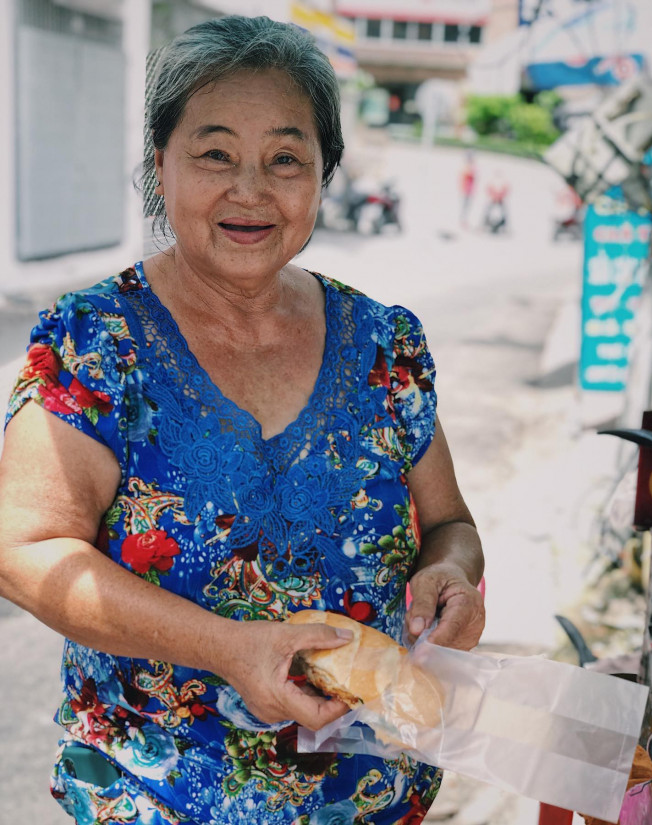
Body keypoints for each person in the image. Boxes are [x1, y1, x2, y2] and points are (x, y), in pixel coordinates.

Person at [0, 15, 485, 825]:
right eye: (215, 153)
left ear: (324, 174)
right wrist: (232, 649)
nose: (251, 189)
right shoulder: (96, 342)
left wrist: (455, 575)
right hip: (155, 798)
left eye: (286, 158)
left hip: (370, 795)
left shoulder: (384, 342)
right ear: (161, 164)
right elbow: (24, 551)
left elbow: (450, 522)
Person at [458, 150, 476, 228]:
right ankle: (463, 220)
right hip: (466, 190)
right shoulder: (467, 167)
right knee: (465, 206)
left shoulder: (468, 166)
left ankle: (463, 220)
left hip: (468, 190)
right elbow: (469, 174)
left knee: (466, 206)